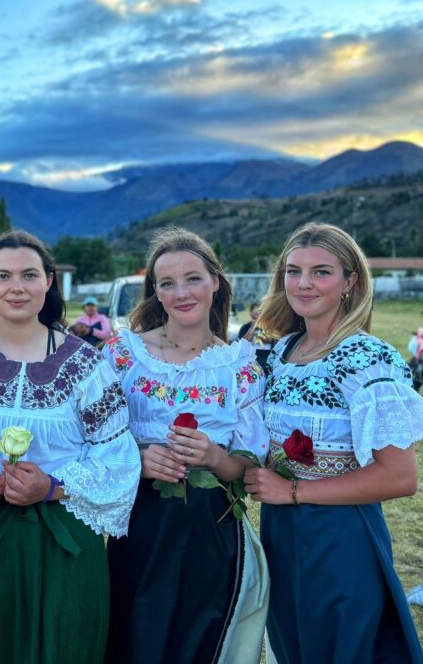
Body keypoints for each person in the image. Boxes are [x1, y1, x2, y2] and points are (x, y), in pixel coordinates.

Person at [0, 230, 141, 663]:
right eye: (3, 275)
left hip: (64, 540)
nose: (17, 286)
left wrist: (52, 486)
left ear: (48, 281)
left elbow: (117, 456)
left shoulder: (87, 363)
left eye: (29, 275)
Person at [244, 222, 423, 664]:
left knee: (344, 648)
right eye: (293, 271)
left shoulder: (367, 359)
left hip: (340, 536)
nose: (303, 283)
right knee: (293, 645)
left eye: (321, 272)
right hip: (281, 531)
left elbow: (401, 477)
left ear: (351, 281)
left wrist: (294, 491)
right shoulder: (282, 351)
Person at [102, 227, 269, 664]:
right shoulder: (123, 356)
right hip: (140, 527)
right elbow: (90, 441)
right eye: (167, 283)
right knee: (134, 637)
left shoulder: (241, 367)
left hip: (211, 532)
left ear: (216, 281)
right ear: (155, 292)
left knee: (198, 643)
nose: (182, 293)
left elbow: (247, 469)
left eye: (193, 278)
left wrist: (214, 457)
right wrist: (137, 458)